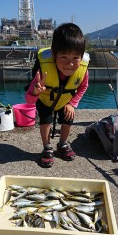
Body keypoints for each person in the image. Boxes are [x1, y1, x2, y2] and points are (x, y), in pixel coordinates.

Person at [25, 23, 90, 167]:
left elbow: (83, 87)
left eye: (75, 58)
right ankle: (47, 147)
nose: (70, 64)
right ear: (54, 54)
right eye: (64, 57)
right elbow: (29, 100)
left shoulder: (83, 70)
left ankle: (62, 144)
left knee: (68, 120)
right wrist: (36, 91)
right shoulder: (42, 70)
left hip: (66, 101)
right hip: (45, 100)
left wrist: (72, 104)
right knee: (45, 120)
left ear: (82, 56)